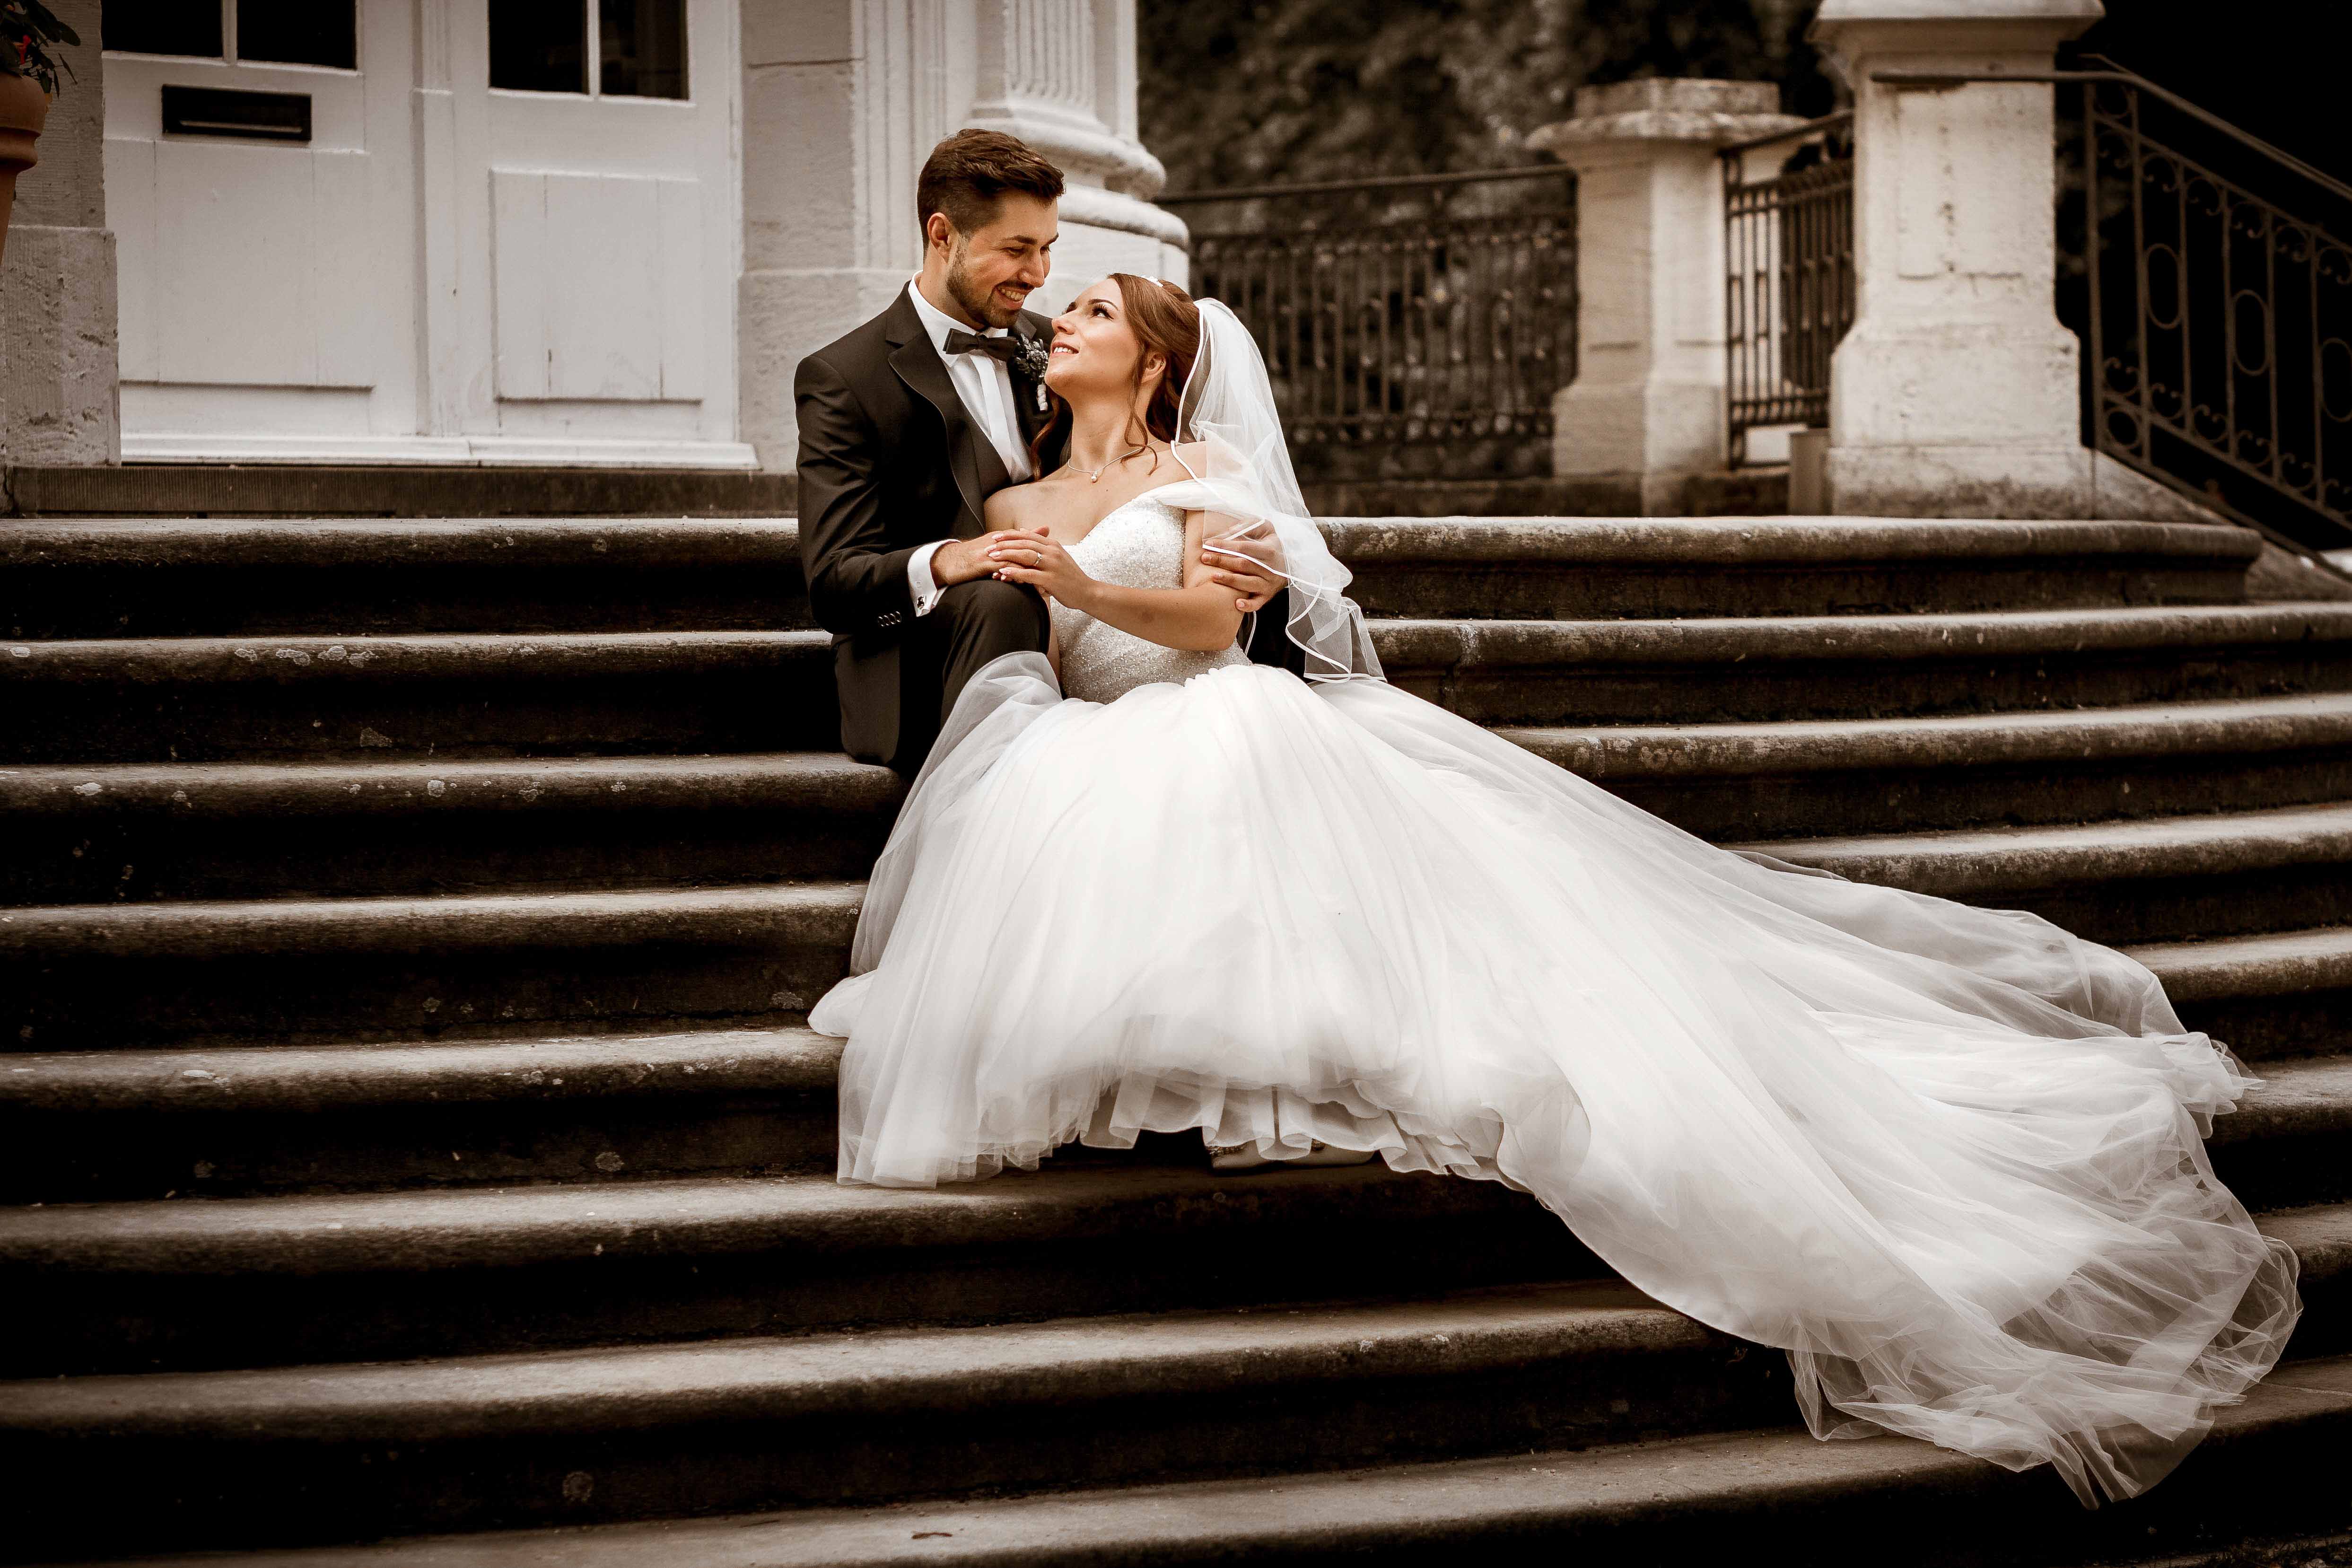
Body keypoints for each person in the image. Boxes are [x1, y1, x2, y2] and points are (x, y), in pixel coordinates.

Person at [807, 275, 2300, 1507]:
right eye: (1056, 310)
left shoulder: (1203, 473)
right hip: (1076, 735)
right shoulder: (1016, 482)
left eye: (1087, 311)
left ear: (1155, 354)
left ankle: (1278, 1099)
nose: (1058, 324)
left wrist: (1087, 589)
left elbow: (1213, 618)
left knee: (1252, 823)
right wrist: (1030, 605)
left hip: (1199, 703)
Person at [793, 130, 1290, 776]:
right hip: (931, 650)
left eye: (1047, 248)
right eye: (1017, 250)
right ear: (943, 235)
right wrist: (950, 558)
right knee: (1005, 603)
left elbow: (1162, 505)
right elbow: (834, 583)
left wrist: (1267, 562)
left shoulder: (1056, 347)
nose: (1040, 277)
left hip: (1107, 662)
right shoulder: (846, 377)